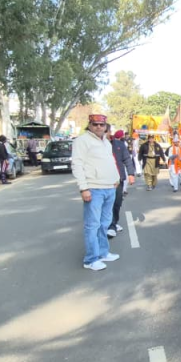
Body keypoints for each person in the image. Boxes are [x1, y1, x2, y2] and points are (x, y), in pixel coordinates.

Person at [71, 114, 121, 271]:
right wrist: (83, 188)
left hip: (109, 187)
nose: (99, 127)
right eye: (95, 124)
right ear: (90, 125)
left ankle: (103, 253)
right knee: (92, 225)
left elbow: (110, 162)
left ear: (106, 126)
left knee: (105, 223)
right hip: (94, 188)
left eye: (101, 124)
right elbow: (77, 164)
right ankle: (91, 259)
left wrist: (116, 178)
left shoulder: (106, 142)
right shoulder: (82, 141)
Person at [109, 130, 136, 237]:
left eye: (106, 130)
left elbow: (127, 159)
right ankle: (110, 226)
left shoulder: (119, 144)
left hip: (118, 179)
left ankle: (114, 222)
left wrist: (131, 174)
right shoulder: (99, 145)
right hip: (103, 181)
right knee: (107, 204)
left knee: (117, 203)